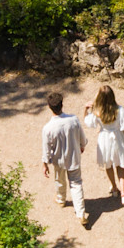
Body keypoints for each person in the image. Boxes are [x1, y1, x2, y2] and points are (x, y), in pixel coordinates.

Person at [41, 92, 89, 228]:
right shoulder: (73, 120)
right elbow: (82, 137)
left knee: (59, 180)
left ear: (49, 107)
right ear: (62, 104)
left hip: (58, 160)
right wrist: (82, 145)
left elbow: (46, 149)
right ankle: (81, 213)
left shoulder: (47, 128)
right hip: (73, 157)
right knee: (76, 183)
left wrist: (45, 164)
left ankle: (61, 199)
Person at [84, 85, 124, 212]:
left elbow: (88, 122)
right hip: (118, 138)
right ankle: (123, 193)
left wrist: (86, 109)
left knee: (108, 165)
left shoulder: (97, 112)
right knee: (120, 166)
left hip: (104, 139)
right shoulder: (119, 110)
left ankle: (114, 188)